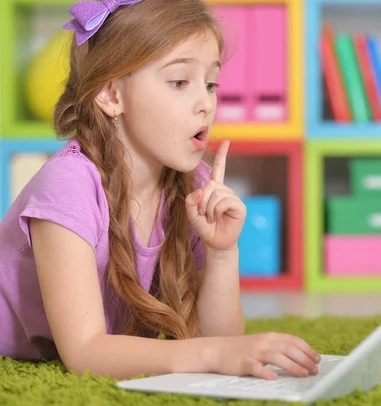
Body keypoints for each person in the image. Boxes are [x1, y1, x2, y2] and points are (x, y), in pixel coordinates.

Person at [0, 0, 320, 381]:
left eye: (211, 83)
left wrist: (221, 252)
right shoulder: (68, 186)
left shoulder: (194, 186)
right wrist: (213, 352)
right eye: (179, 82)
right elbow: (85, 351)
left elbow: (221, 342)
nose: (206, 103)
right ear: (111, 95)